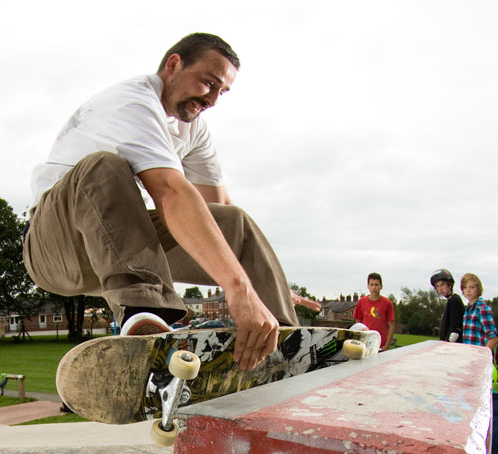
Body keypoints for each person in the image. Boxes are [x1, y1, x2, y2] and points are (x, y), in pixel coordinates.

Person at [23, 33, 299, 371]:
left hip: (115, 246)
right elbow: (169, 191)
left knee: (233, 221)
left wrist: (259, 283)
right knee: (104, 167)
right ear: (173, 64)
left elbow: (214, 212)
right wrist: (237, 287)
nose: (211, 99)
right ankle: (146, 316)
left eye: (221, 92)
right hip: (56, 247)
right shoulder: (133, 103)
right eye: (207, 83)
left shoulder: (193, 127)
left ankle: (285, 340)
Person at [352, 273, 395, 350]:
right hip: (365, 344)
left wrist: (387, 346)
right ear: (368, 286)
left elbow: (391, 325)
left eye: (376, 285)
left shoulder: (388, 303)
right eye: (371, 285)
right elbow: (358, 323)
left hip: (381, 345)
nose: (374, 287)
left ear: (381, 286)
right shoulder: (361, 302)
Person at [459, 273, 497, 350]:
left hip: (480, 357)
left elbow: (493, 338)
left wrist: (482, 356)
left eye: (472, 287)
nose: (468, 290)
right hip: (469, 355)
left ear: (478, 289)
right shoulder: (468, 309)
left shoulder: (482, 308)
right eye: (465, 287)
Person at [430, 268, 464, 343]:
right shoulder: (450, 300)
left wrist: (447, 343)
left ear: (449, 285)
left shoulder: (454, 300)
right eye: (437, 286)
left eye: (442, 285)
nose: (440, 289)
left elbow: (455, 329)